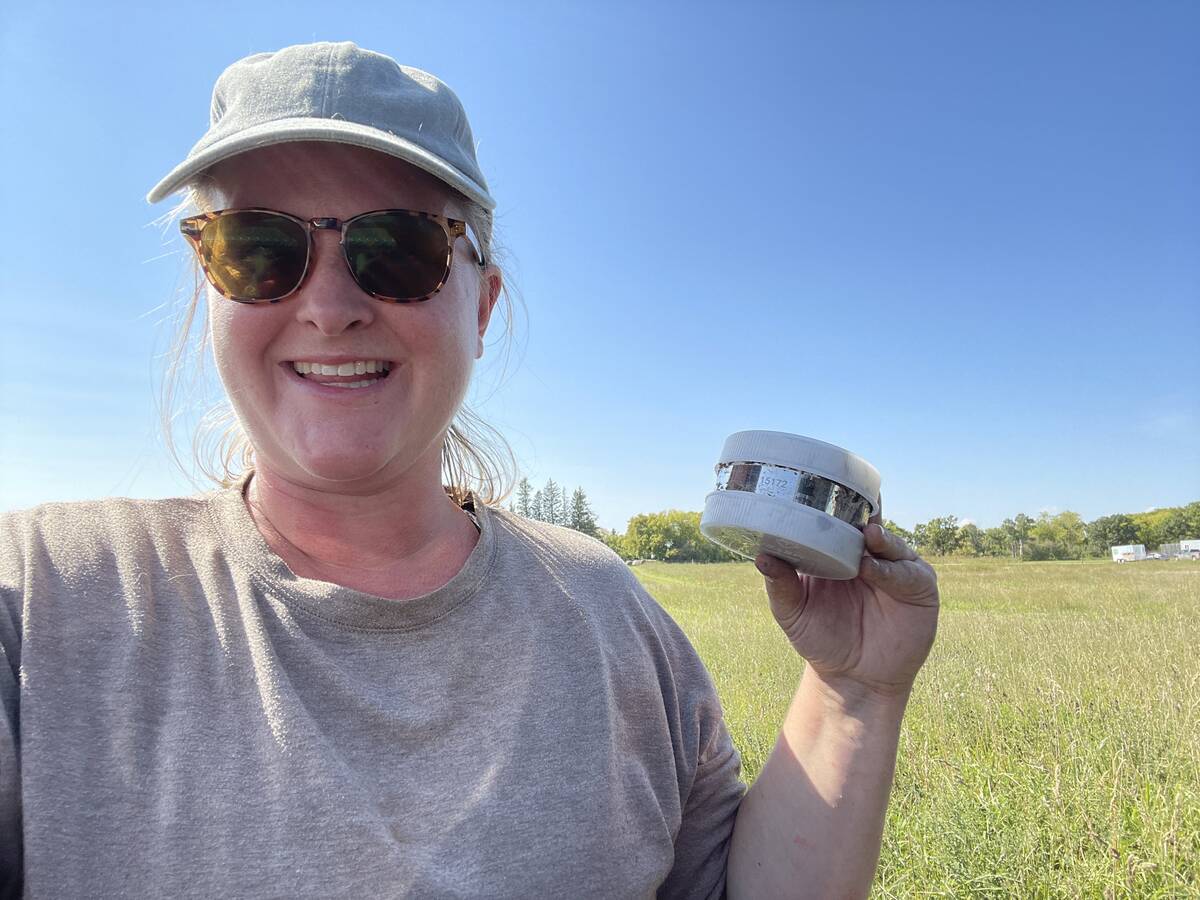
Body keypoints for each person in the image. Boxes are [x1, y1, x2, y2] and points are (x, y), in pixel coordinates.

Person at [0, 42, 939, 898]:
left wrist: (854, 693)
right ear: (209, 284)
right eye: (259, 250)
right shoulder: (40, 599)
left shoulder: (609, 615)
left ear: (482, 305)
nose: (329, 306)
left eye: (396, 249)